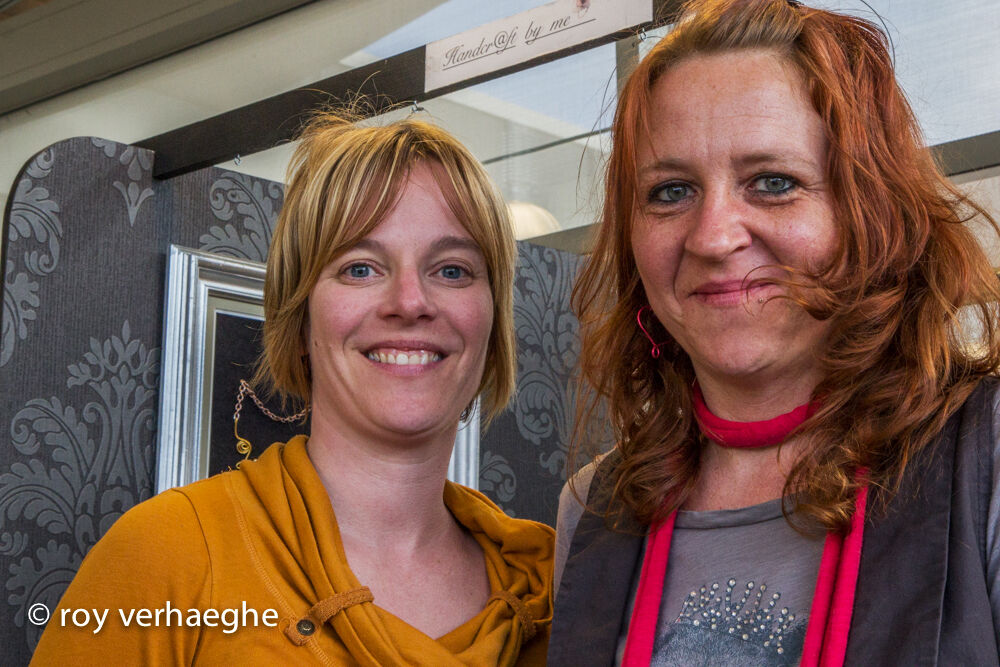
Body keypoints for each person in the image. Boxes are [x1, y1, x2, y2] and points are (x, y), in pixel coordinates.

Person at [548, 1, 1000, 665]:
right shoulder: (592, 507)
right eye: (671, 191)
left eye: (773, 182)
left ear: (872, 213)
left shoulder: (984, 454)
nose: (713, 238)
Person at [32, 113, 554, 665]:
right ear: (299, 318)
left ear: (492, 319)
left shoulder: (556, 582)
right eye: (360, 268)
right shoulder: (165, 554)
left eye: (452, 271)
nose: (410, 301)